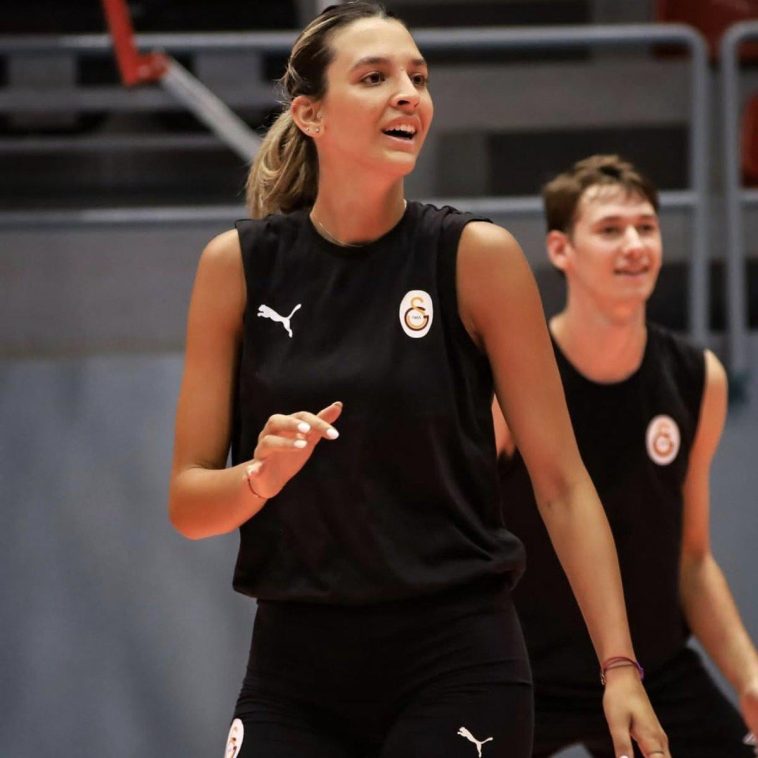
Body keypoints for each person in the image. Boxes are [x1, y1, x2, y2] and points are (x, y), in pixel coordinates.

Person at [168, 5, 669, 757]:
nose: (409, 93)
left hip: (457, 660)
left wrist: (620, 668)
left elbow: (562, 483)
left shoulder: (475, 257)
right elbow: (188, 502)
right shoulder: (236, 268)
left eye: (419, 77)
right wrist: (259, 478)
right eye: (374, 78)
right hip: (293, 667)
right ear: (310, 114)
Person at [494, 154, 758, 757]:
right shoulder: (515, 378)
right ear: (561, 250)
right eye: (611, 229)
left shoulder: (698, 378)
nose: (635, 245)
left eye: (647, 227)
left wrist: (749, 675)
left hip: (651, 669)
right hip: (525, 673)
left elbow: (692, 559)